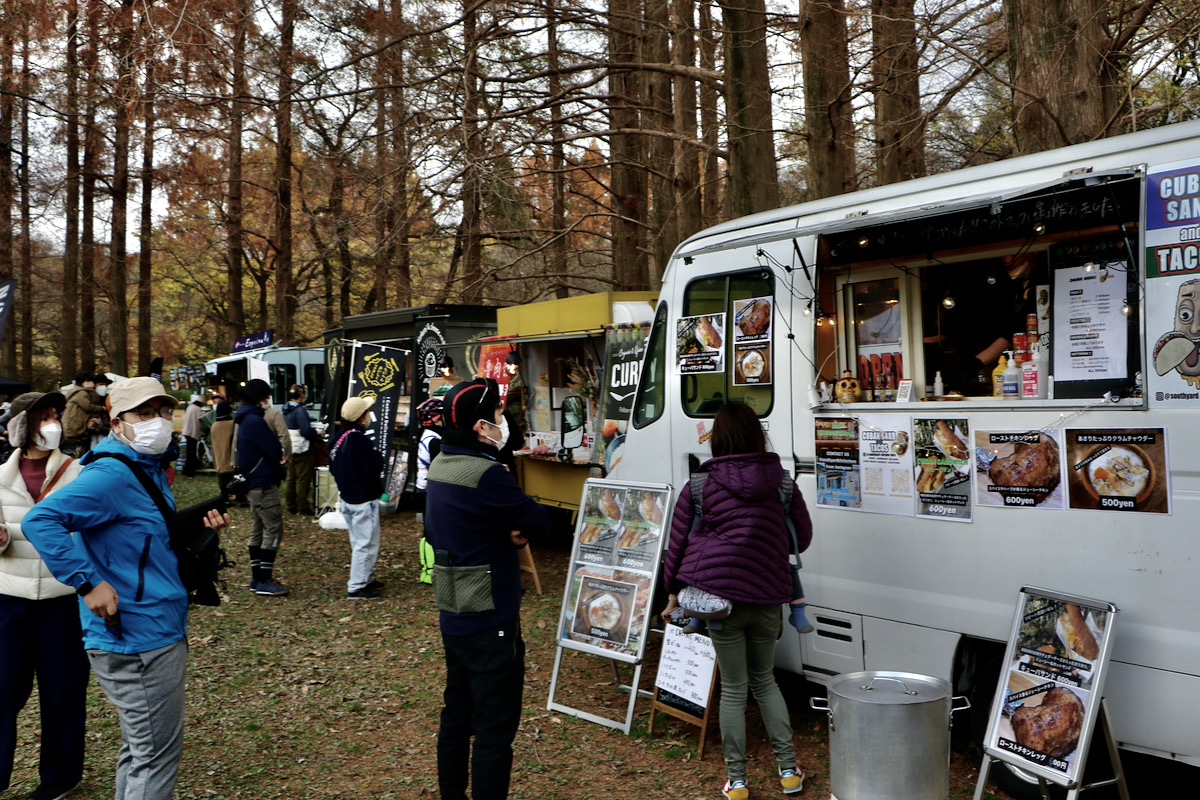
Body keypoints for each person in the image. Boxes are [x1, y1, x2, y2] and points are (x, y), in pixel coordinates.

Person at [22, 377, 229, 800]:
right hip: (137, 636)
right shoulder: (113, 475)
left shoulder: (144, 469)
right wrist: (88, 583)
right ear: (117, 422)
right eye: (144, 413)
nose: (158, 422)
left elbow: (140, 540)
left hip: (152, 625)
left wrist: (201, 536)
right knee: (155, 757)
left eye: (163, 411)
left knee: (142, 750)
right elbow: (39, 520)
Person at [661, 401, 813, 800]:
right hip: (768, 597)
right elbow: (804, 537)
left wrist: (672, 593)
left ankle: (739, 781)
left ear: (719, 438)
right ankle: (788, 772)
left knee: (733, 687)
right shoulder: (782, 482)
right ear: (756, 436)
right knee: (765, 681)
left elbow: (676, 546)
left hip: (719, 601)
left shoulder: (699, 485)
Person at [424, 378, 550, 800]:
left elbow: (444, 527)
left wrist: (501, 533)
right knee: (495, 730)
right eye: (498, 415)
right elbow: (537, 520)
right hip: (491, 613)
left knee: (456, 717)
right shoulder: (486, 474)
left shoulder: (441, 464)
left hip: (453, 609)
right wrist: (513, 533)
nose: (503, 422)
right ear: (481, 425)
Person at [0, 392, 87, 800]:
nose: (53, 423)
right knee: (2, 692)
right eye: (43, 417)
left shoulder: (80, 473)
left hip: (63, 600)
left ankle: (60, 778)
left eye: (56, 415)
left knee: (63, 691)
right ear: (21, 426)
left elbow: (88, 532)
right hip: (8, 600)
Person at [328, 396, 385, 600]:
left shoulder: (339, 437)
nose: (369, 415)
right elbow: (372, 469)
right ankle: (357, 585)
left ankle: (366, 577)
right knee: (366, 542)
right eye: (367, 412)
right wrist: (378, 456)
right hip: (363, 497)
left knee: (358, 540)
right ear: (361, 417)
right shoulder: (359, 440)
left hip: (347, 496)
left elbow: (333, 466)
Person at [235, 379, 288, 596]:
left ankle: (257, 577)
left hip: (251, 482)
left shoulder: (243, 419)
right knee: (273, 528)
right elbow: (274, 450)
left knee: (258, 528)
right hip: (263, 481)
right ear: (262, 397)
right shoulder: (255, 421)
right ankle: (264, 578)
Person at [414, 397, 444, 585]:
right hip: (428, 491)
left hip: (425, 490)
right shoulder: (433, 440)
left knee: (430, 530)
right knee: (430, 532)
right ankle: (428, 571)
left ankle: (430, 570)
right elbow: (438, 468)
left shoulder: (428, 434)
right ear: (435, 418)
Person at [282, 385, 318, 516]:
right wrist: (316, 432)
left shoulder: (285, 409)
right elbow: (305, 431)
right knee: (302, 479)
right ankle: (302, 507)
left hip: (290, 447)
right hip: (303, 448)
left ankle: (291, 505)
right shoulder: (300, 411)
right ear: (302, 394)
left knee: (291, 478)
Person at [61, 371, 106, 456]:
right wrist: (101, 408)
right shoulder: (81, 393)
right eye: (87, 381)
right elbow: (87, 406)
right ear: (80, 383)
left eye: (90, 381)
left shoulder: (77, 392)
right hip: (76, 426)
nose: (90, 383)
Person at [210, 400, 237, 498]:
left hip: (219, 459)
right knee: (235, 479)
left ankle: (224, 498)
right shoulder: (232, 424)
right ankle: (240, 497)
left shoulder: (214, 426)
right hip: (232, 459)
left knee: (223, 482)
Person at [180, 395, 207, 477]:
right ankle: (189, 471)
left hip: (187, 431)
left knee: (190, 452)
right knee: (191, 453)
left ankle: (190, 469)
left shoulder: (190, 407)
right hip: (193, 433)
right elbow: (204, 418)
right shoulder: (198, 409)